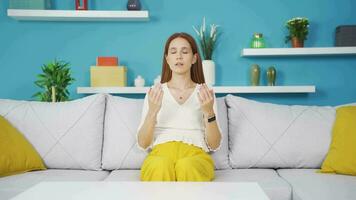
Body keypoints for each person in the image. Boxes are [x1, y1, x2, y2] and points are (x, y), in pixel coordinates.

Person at [136, 32, 222, 181]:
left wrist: (208, 112)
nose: (179, 56)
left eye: (185, 51)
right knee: (160, 165)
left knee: (187, 166)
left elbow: (214, 144)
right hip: (160, 153)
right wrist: (152, 112)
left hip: (195, 155)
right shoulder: (155, 93)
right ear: (167, 59)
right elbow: (143, 144)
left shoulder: (204, 93)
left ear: (194, 58)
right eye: (173, 52)